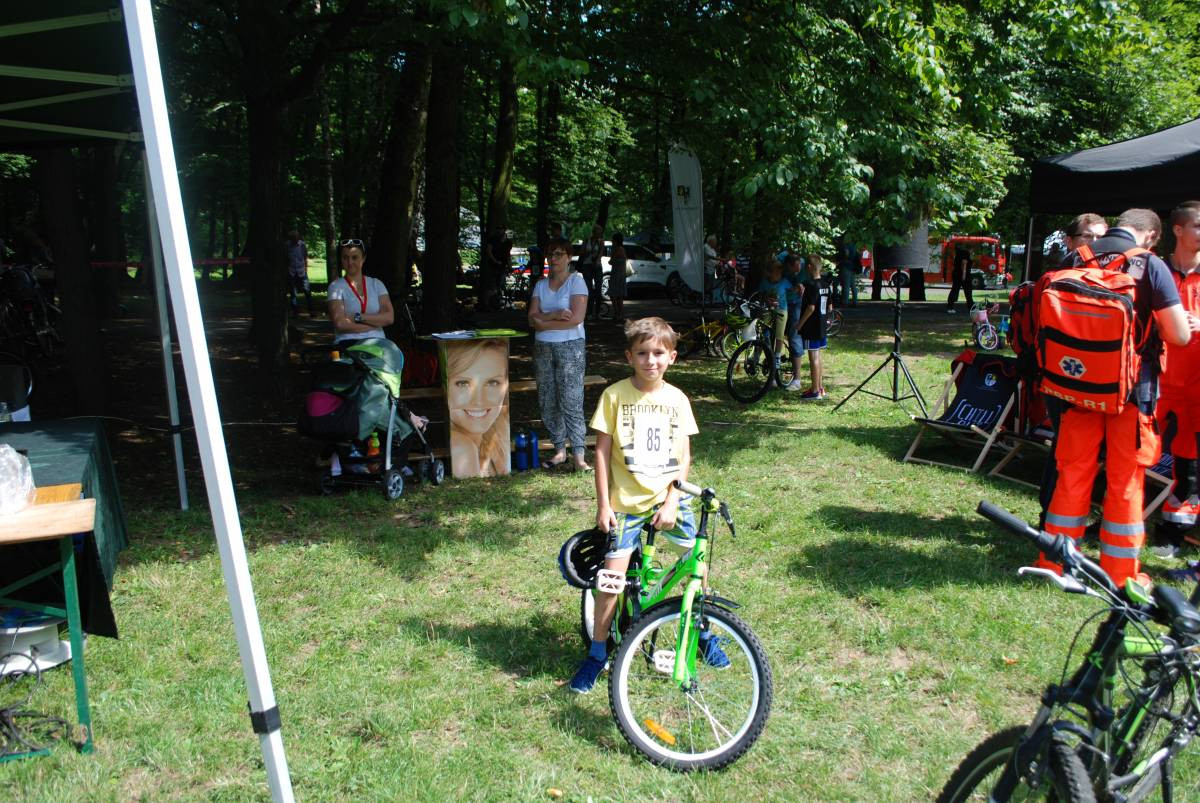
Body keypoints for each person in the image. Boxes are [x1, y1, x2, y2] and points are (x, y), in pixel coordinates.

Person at [1038, 209, 1194, 588]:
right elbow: (1179, 336)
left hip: (1076, 388)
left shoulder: (1077, 257)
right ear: (1152, 236)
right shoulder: (1151, 266)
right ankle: (1120, 572)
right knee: (1125, 481)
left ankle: (1055, 562)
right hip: (1131, 393)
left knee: (1071, 475)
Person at [569, 317, 726, 693]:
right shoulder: (614, 396)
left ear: (671, 357)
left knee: (698, 566)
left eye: (658, 353)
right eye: (642, 353)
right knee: (611, 580)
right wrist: (604, 504)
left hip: (670, 499)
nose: (650, 360)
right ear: (630, 356)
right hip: (626, 503)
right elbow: (603, 453)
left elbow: (684, 456)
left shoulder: (678, 400)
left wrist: (673, 499)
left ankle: (700, 630)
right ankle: (597, 652)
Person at [1150, 202, 1200, 558]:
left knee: (1190, 467)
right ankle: (1116, 521)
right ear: (1179, 230)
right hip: (1156, 380)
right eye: (1198, 226)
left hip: (1196, 387)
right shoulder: (1156, 271)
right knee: (1134, 456)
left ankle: (1173, 532)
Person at [528, 237, 591, 471]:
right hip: (543, 347)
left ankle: (579, 455)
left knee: (571, 399)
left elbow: (576, 319)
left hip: (570, 347)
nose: (553, 258)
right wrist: (554, 316)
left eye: (558, 254)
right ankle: (559, 450)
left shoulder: (576, 282)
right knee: (547, 399)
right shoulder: (540, 285)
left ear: (568, 257)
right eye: (550, 254)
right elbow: (531, 318)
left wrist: (543, 322)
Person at [446, 338, 510, 477]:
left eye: (492, 382)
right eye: (463, 383)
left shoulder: (497, 432)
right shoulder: (462, 447)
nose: (479, 401)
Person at [328, 239, 394, 344]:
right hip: (348, 343)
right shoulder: (336, 287)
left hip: (378, 343)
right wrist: (376, 323)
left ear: (363, 259)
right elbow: (340, 324)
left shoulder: (376, 284)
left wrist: (357, 317)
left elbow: (389, 318)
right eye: (345, 258)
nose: (350, 262)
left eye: (354, 257)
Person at [789, 254, 831, 400]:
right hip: (821, 326)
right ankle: (820, 387)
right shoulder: (825, 284)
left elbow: (811, 308)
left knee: (813, 357)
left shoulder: (812, 285)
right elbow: (830, 306)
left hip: (812, 326)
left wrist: (799, 324)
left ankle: (814, 391)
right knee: (818, 355)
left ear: (809, 267)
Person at [579, 224, 604, 322]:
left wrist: (596, 261)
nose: (599, 234)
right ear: (594, 232)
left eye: (600, 232)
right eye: (597, 232)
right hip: (587, 266)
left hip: (597, 267)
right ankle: (589, 313)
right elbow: (581, 252)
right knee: (588, 290)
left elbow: (601, 253)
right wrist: (587, 253)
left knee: (598, 290)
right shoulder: (586, 240)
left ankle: (597, 313)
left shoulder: (601, 242)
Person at [286, 230, 311, 315]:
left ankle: (311, 309)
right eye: (293, 239)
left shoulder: (302, 245)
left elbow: (305, 257)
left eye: (296, 238)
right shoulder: (287, 245)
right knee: (293, 292)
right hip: (291, 270)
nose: (295, 240)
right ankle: (295, 311)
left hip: (301, 270)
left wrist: (306, 269)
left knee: (307, 290)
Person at [608, 232, 628, 323]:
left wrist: (612, 255)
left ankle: (617, 314)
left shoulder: (617, 249)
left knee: (614, 295)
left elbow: (611, 261)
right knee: (619, 295)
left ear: (616, 240)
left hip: (616, 274)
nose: (612, 241)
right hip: (621, 275)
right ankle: (620, 314)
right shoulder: (622, 249)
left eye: (613, 240)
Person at [946, 244, 973, 313]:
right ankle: (971, 307)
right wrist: (964, 274)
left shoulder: (958, 254)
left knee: (955, 290)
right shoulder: (966, 253)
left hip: (956, 273)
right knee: (968, 291)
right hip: (963, 274)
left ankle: (950, 307)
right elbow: (964, 263)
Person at [836, 240, 858, 307]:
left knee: (846, 286)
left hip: (846, 266)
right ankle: (855, 301)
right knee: (852, 285)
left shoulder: (845, 245)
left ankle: (845, 302)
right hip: (853, 267)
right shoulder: (854, 245)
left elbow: (846, 254)